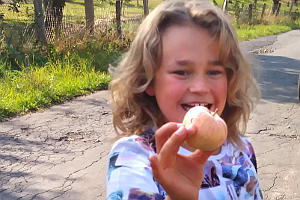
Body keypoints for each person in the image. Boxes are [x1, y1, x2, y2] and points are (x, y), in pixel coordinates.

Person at [106, 0, 263, 199]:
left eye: (214, 71)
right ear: (149, 81)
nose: (200, 87)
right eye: (181, 72)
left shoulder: (241, 150)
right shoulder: (133, 157)